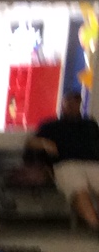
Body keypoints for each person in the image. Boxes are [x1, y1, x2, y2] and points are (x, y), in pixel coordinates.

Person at [28, 90, 99, 233]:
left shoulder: (90, 124)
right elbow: (31, 143)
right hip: (65, 164)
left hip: (93, 163)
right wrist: (45, 143)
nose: (72, 104)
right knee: (78, 189)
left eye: (75, 101)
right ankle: (95, 225)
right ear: (62, 103)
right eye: (69, 101)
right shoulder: (51, 125)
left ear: (79, 103)